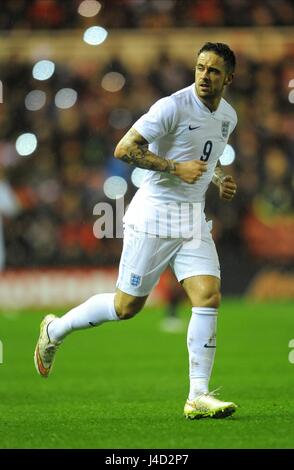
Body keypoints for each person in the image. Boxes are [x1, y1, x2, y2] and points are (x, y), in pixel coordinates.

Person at [34, 42, 238, 420]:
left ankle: (198, 395)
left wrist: (220, 179)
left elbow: (205, 160)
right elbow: (124, 149)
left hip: (192, 217)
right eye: (199, 68)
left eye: (212, 71)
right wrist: (176, 169)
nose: (204, 77)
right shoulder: (172, 107)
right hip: (154, 214)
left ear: (229, 78)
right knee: (125, 307)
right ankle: (55, 329)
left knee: (208, 297)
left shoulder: (227, 116)